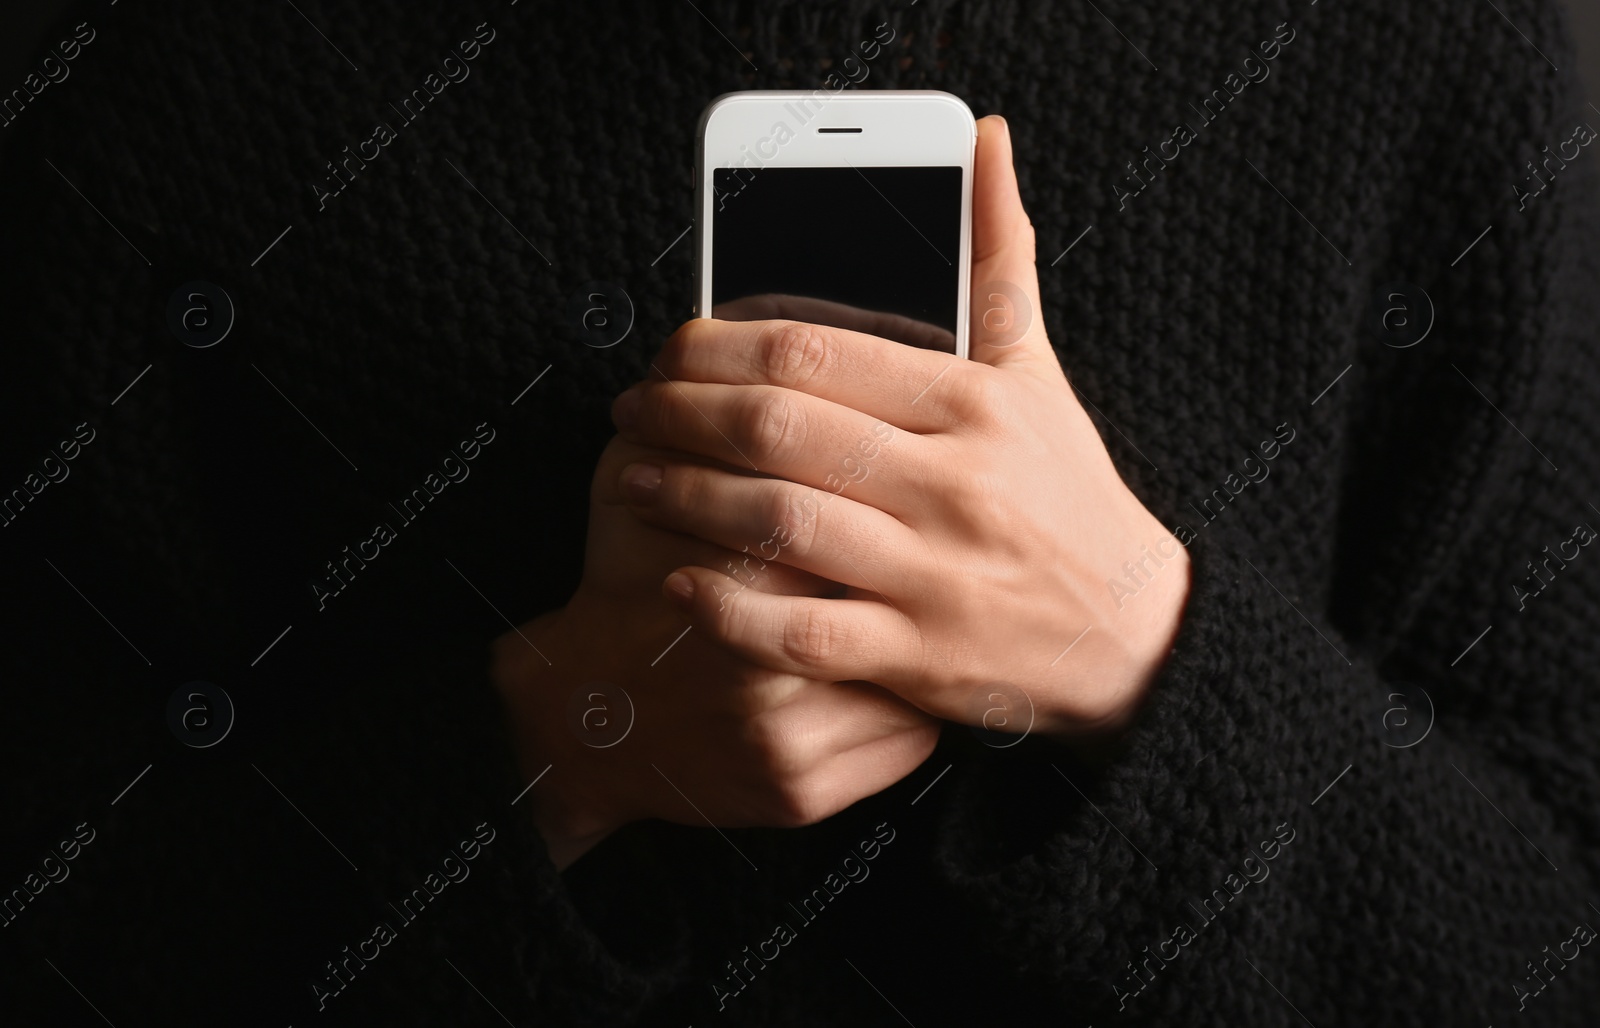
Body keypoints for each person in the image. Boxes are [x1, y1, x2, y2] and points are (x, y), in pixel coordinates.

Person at [1, 1, 1596, 1025]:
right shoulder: (154, 86)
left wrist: (1140, 654)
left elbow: (1554, 928)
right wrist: (553, 756)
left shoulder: (1431, 56)